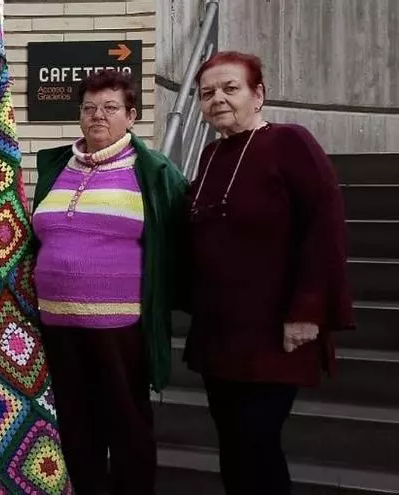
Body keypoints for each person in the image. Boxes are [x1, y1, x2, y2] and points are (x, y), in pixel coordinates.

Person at [183, 51, 354, 495]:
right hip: (221, 336)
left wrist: (308, 311)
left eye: (229, 88)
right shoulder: (210, 155)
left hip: (275, 332)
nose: (217, 99)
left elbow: (323, 227)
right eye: (207, 93)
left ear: (258, 95)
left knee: (257, 443)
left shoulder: (289, 143)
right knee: (233, 446)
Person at [31, 69, 187, 495]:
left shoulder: (152, 173)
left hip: (119, 330)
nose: (98, 116)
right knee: (76, 430)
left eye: (110, 108)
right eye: (89, 108)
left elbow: (180, 242)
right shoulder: (56, 166)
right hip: (58, 328)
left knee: (127, 428)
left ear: (131, 116)